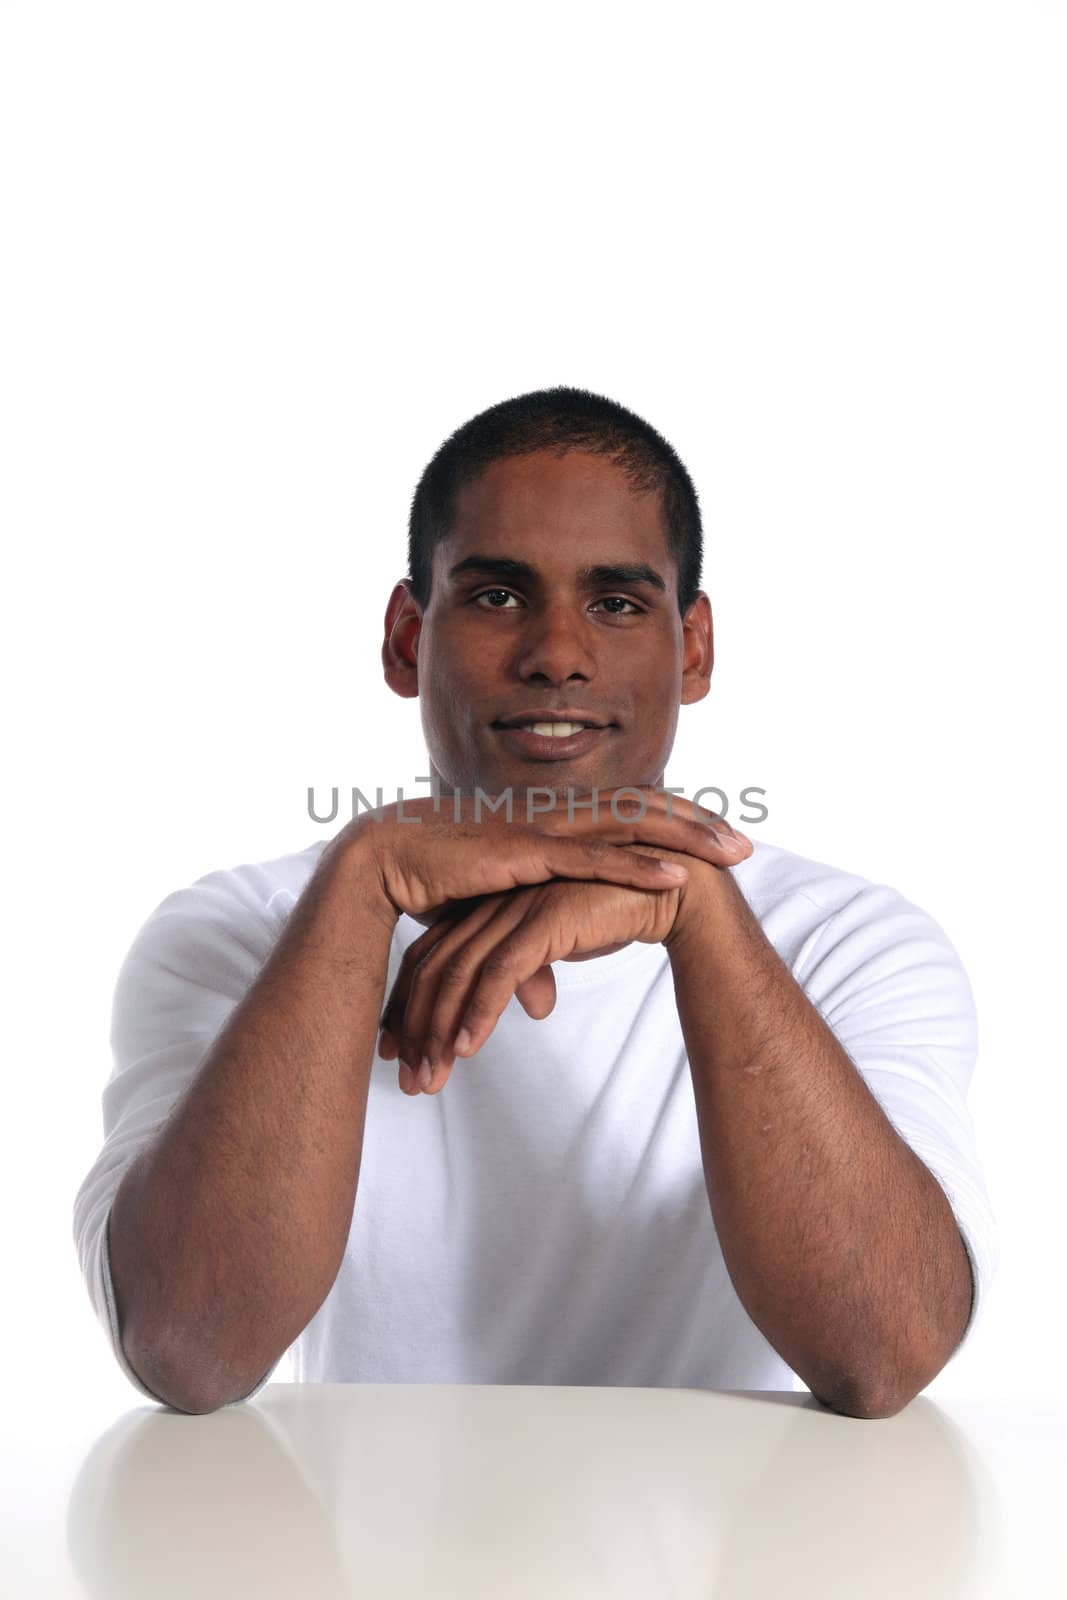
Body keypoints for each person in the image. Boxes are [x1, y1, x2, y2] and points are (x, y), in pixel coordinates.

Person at [72, 386, 998, 1419]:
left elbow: (882, 1351)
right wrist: (364, 878)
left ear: (690, 648)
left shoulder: (850, 945)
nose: (557, 653)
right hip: (363, 1574)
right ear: (403, 639)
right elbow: (187, 1347)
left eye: (615, 601)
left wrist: (691, 908)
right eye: (497, 595)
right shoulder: (236, 932)